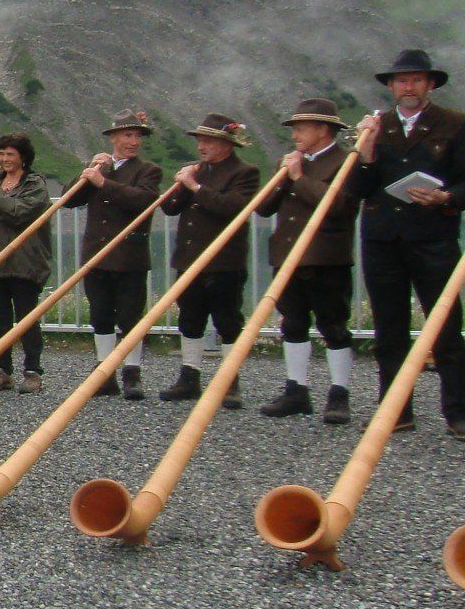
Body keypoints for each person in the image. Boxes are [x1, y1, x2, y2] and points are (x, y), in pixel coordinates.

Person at [351, 47, 465, 436]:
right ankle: (395, 411)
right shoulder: (375, 126)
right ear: (392, 87)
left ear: (430, 84)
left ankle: (458, 412)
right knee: (389, 327)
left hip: (433, 236)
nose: (409, 87)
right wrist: (364, 156)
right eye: (402, 80)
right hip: (382, 238)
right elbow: (359, 189)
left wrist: (447, 197)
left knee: (446, 326)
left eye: (417, 79)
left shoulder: (454, 124)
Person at [257, 99, 359, 423]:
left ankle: (338, 394)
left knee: (333, 324)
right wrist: (284, 175)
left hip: (326, 258)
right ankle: (296, 390)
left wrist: (300, 178)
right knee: (293, 323)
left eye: (302, 129)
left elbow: (340, 205)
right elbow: (264, 207)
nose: (296, 135)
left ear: (323, 130)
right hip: (288, 256)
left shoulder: (347, 161)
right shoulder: (290, 161)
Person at [159, 114, 262, 405]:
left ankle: (230, 381)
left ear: (226, 144)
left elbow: (232, 207)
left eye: (208, 141)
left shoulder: (245, 172)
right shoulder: (196, 171)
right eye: (200, 140)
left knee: (227, 320)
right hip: (189, 259)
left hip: (223, 261)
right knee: (190, 318)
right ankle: (189, 376)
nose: (201, 146)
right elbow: (169, 208)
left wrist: (194, 186)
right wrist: (180, 184)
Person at [69, 108, 164, 400]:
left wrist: (104, 183)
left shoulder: (148, 170)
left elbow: (143, 200)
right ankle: (104, 373)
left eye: (136, 136)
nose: (133, 141)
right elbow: (70, 200)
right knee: (100, 314)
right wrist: (88, 171)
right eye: (127, 135)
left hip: (129, 256)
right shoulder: (101, 167)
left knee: (130, 315)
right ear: (113, 138)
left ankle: (132, 373)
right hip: (97, 255)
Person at [0, 134, 52, 392]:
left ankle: (33, 371)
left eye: (10, 154)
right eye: (1, 154)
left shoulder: (34, 183)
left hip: (24, 261)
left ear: (23, 157)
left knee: (27, 318)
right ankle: (2, 370)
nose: (4, 159)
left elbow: (19, 213)